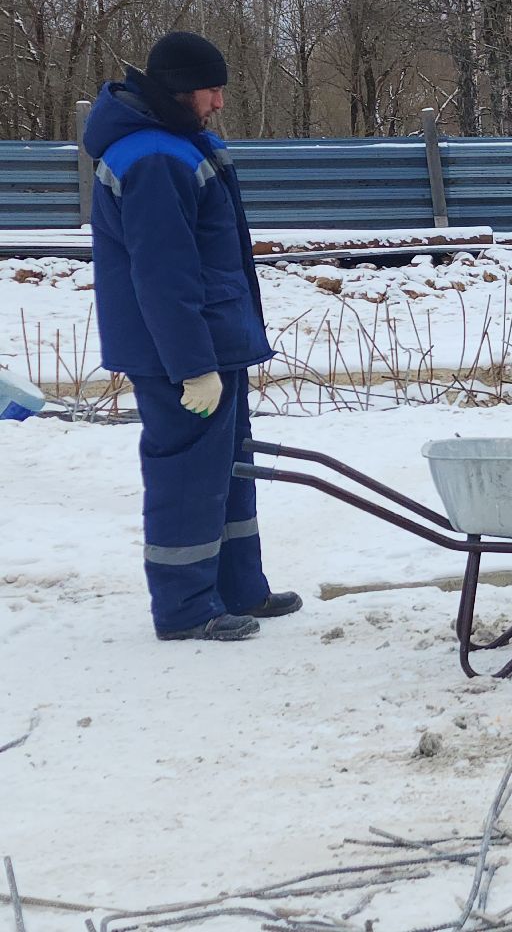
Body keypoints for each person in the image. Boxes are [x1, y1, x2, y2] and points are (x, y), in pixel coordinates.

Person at [84, 32, 300, 642]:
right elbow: (163, 275)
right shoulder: (153, 158)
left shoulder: (181, 143)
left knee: (229, 469)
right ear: (182, 90)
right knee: (188, 476)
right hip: (180, 353)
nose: (220, 103)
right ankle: (185, 609)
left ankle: (238, 588)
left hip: (212, 341)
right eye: (214, 90)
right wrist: (190, 365)